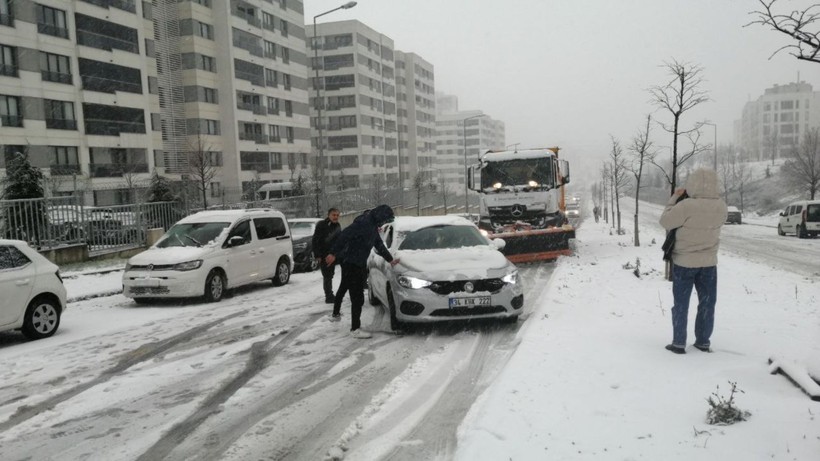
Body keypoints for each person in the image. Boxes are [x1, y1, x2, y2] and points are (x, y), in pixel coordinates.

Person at [659, 168, 728, 354]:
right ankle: (703, 341)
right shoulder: (721, 205)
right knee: (707, 303)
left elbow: (665, 221)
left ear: (693, 184)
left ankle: (679, 343)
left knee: (681, 303)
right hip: (709, 262)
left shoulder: (687, 205)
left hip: (684, 262)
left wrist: (674, 198)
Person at [325, 205, 399, 339]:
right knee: (357, 297)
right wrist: (333, 253)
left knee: (353, 294)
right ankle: (355, 328)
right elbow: (344, 235)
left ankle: (345, 320)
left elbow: (379, 245)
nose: (383, 223)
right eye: (384, 219)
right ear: (380, 216)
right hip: (351, 263)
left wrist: (390, 259)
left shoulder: (372, 225)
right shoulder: (363, 223)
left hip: (357, 263)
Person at [311, 208, 341, 304]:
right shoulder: (322, 225)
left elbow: (339, 240)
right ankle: (329, 296)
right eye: (333, 215)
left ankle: (331, 294)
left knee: (331, 275)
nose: (335, 217)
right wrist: (318, 255)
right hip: (324, 255)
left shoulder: (337, 226)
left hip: (334, 254)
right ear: (329, 215)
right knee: (327, 276)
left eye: (337, 215)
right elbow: (315, 240)